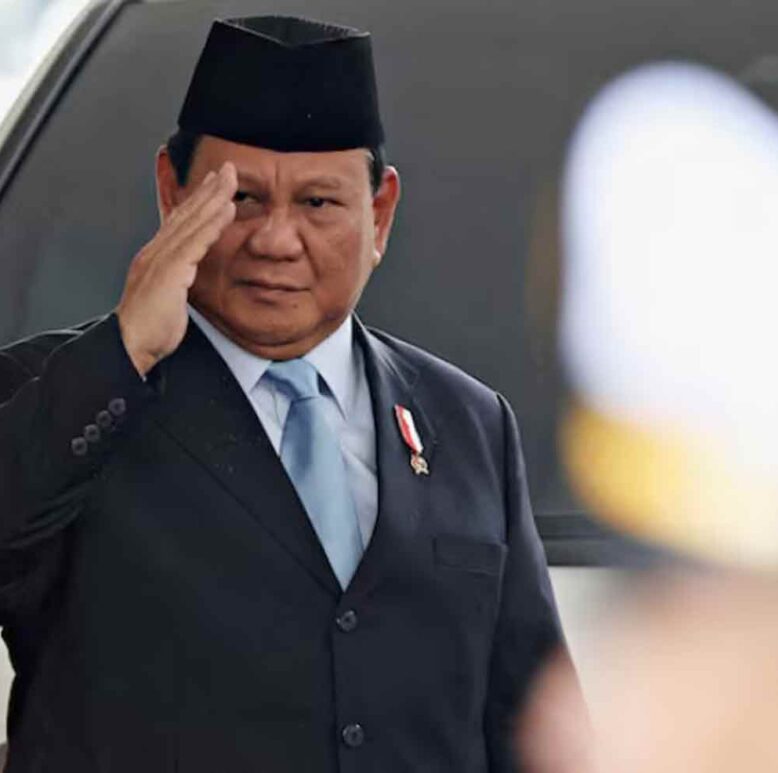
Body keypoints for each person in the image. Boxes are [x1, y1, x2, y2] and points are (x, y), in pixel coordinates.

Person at [0, 15, 568, 772]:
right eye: (239, 200)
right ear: (172, 193)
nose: (275, 240)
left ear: (380, 214)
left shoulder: (467, 424)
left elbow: (539, 727)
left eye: (319, 204)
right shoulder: (60, 396)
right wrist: (124, 350)